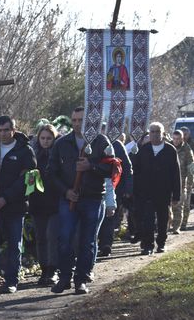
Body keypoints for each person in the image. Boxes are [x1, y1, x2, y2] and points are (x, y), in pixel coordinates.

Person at [48, 106, 114, 295]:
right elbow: (51, 172)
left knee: (87, 241)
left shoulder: (101, 141)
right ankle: (65, 277)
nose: (77, 123)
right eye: (74, 120)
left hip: (93, 199)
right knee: (65, 238)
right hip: (69, 199)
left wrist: (91, 166)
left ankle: (82, 278)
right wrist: (66, 191)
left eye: (81, 120)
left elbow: (113, 169)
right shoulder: (62, 143)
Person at [0, 116, 36, 296]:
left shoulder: (25, 150)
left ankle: (12, 280)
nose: (3, 134)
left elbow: (28, 180)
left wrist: (6, 198)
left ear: (14, 129)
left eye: (6, 130)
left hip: (15, 206)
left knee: (14, 244)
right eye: (0, 130)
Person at [133, 122, 181, 254]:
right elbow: (136, 171)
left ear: (163, 133)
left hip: (164, 192)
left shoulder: (170, 150)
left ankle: (161, 243)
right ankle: (148, 245)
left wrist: (176, 195)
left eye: (157, 131)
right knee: (147, 220)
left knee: (162, 219)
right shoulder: (144, 149)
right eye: (152, 132)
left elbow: (176, 174)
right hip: (146, 193)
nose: (154, 134)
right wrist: (135, 190)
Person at [29, 124, 60, 285]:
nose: (45, 141)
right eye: (43, 138)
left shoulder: (57, 155)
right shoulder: (33, 155)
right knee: (40, 237)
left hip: (54, 202)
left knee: (52, 236)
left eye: (49, 138)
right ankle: (44, 269)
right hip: (37, 202)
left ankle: (53, 268)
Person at [97, 132, 133, 257]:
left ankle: (106, 244)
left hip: (116, 187)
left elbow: (127, 167)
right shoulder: (92, 144)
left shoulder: (117, 145)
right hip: (96, 186)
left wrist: (128, 188)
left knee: (110, 216)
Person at [170, 130, 194, 233]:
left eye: (178, 139)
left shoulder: (187, 149)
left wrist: (190, 183)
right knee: (167, 206)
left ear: (182, 139)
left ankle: (176, 227)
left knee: (178, 206)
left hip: (181, 181)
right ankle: (166, 225)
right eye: (174, 139)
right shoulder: (168, 147)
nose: (176, 141)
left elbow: (191, 167)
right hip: (167, 181)